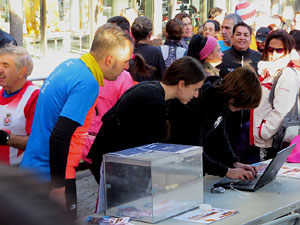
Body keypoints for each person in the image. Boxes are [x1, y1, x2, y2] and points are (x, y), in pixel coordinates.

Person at [20, 24, 133, 218]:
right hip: (51, 174)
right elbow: (60, 135)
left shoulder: (70, 65)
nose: (127, 67)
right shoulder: (87, 82)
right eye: (125, 61)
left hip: (34, 169)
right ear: (109, 60)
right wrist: (58, 187)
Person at [87, 56, 206, 183]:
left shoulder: (152, 90)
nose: (196, 95)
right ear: (182, 84)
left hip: (111, 163)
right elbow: (145, 151)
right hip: (113, 167)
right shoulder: (153, 100)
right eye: (195, 89)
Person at [167, 67, 261, 180]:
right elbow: (193, 150)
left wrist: (234, 162)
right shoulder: (201, 102)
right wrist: (227, 171)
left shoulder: (223, 101)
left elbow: (219, 135)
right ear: (235, 94)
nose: (240, 109)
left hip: (192, 164)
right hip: (175, 164)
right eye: (240, 105)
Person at [82, 16, 135, 165]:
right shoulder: (122, 78)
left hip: (88, 148)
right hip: (105, 149)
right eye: (126, 61)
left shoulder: (79, 73)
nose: (127, 66)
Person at [251, 30, 300, 160]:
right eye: (270, 49)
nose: (273, 53)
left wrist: (263, 132)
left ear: (287, 50)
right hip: (266, 139)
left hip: (272, 141)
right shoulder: (269, 69)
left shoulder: (287, 73)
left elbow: (282, 110)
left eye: (278, 50)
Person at [0, 45, 39, 166]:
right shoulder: (1, 92)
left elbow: (38, 142)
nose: (0, 69)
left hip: (18, 174)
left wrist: (6, 138)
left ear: (21, 72)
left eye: (5, 66)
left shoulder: (34, 96)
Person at [131, 16, 166, 81]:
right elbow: (163, 76)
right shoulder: (155, 52)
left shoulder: (127, 51)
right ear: (150, 34)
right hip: (151, 89)